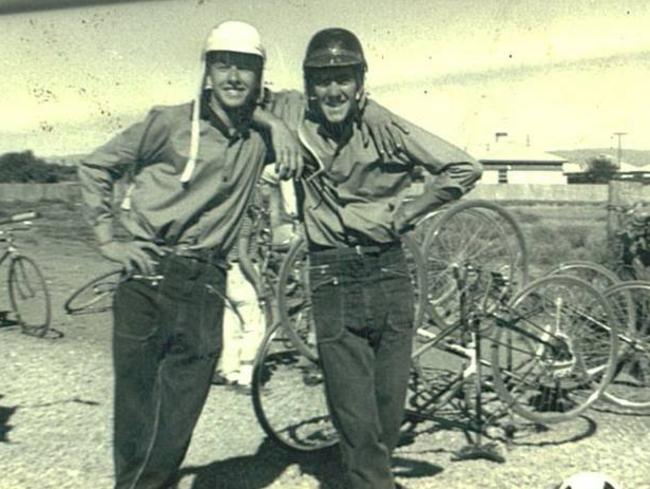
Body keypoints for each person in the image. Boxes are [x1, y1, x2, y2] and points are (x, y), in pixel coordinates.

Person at [77, 21, 303, 489]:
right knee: (136, 409)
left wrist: (272, 122)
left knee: (181, 410)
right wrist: (108, 239)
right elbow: (96, 166)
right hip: (147, 276)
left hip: (206, 282)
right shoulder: (169, 123)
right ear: (206, 71)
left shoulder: (261, 134)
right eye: (223, 65)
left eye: (246, 67)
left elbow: (315, 103)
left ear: (261, 76)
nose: (234, 78)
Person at [270, 28, 483, 489]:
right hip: (332, 275)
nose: (333, 90)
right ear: (309, 85)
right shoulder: (291, 112)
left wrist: (411, 210)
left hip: (389, 274)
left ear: (360, 81)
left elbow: (464, 167)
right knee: (353, 415)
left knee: (387, 412)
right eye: (322, 80)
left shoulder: (385, 126)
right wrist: (275, 129)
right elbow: (248, 102)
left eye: (343, 78)